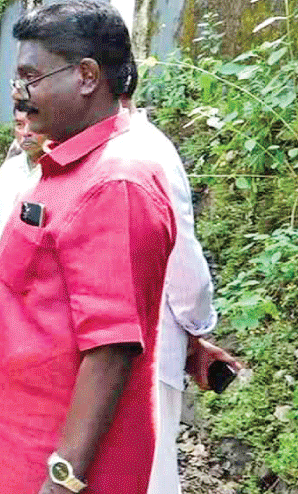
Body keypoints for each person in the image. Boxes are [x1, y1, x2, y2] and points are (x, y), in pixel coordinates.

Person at [0, 2, 176, 493]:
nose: (19, 97)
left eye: (29, 78)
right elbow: (58, 266)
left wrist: (63, 478)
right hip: (15, 444)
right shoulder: (67, 163)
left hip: (52, 466)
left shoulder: (115, 183)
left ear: (86, 75)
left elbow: (111, 349)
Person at [116, 63, 243, 494]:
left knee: (149, 471)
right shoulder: (120, 147)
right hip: (116, 348)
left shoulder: (144, 153)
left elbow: (184, 264)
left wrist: (195, 330)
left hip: (151, 346)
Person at [0, 100, 47, 259]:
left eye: (33, 125)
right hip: (4, 269)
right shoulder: (9, 170)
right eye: (19, 124)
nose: (26, 132)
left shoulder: (62, 172)